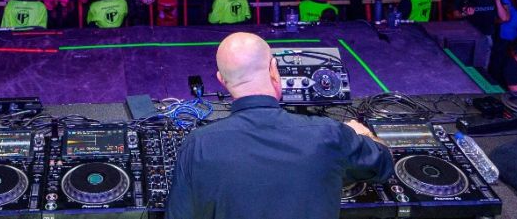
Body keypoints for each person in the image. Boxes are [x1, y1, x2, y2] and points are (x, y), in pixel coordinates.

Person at [166, 32, 393, 219]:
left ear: (222, 80)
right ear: (274, 69)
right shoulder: (328, 134)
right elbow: (384, 164)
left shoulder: (197, 145)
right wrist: (362, 134)